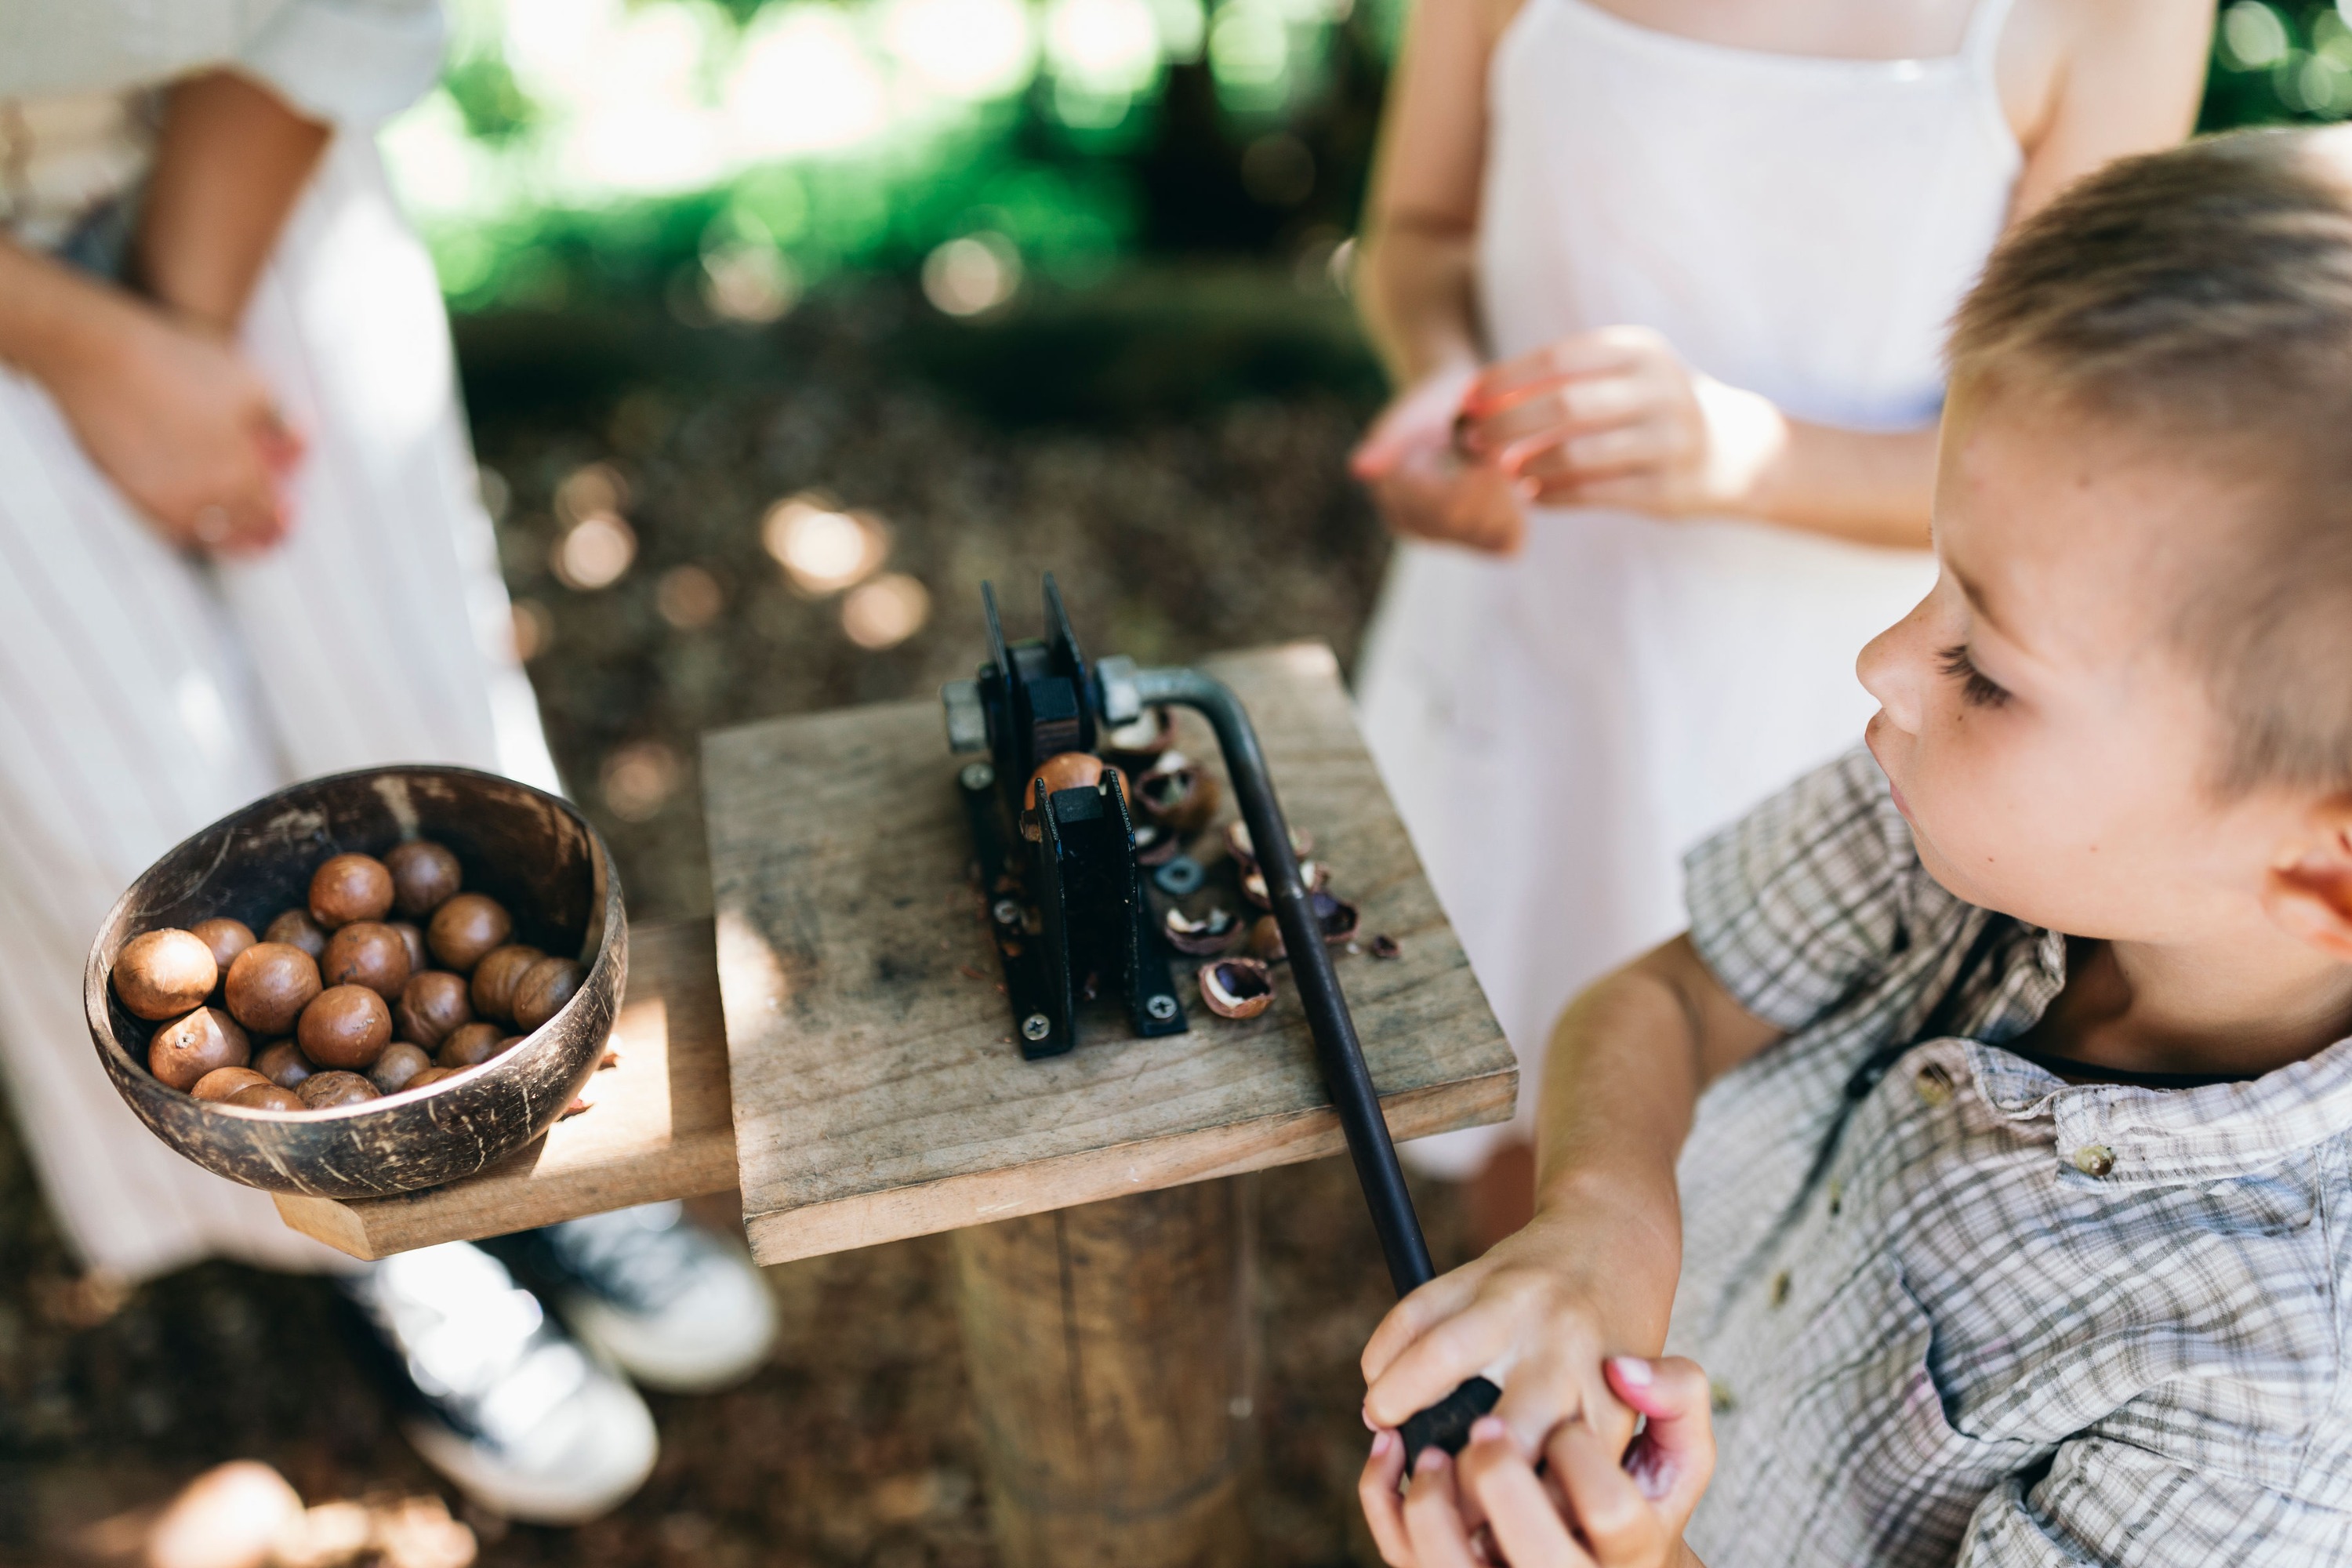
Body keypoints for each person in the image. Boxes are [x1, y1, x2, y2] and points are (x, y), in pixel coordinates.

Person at [1357, 126, 2352, 1566]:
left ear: (2321, 873)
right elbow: (1668, 996)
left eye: (1990, 667)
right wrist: (1599, 1234)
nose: (1887, 662)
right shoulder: (1979, 833)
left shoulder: (2277, 1404)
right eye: (1933, 581)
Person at [0, 5, 772, 1523]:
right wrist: (93, 354)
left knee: (428, 728)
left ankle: (541, 1166)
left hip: (239, 157)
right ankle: (381, 1247)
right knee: (122, 832)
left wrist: (183, 338)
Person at [1345, 0, 2214, 1238]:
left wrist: (1747, 459)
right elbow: (1420, 234)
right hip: (1530, 637)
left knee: (1773, 1189)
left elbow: (2049, 450)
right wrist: (1446, 382)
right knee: (1509, 1109)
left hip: (1829, 705)